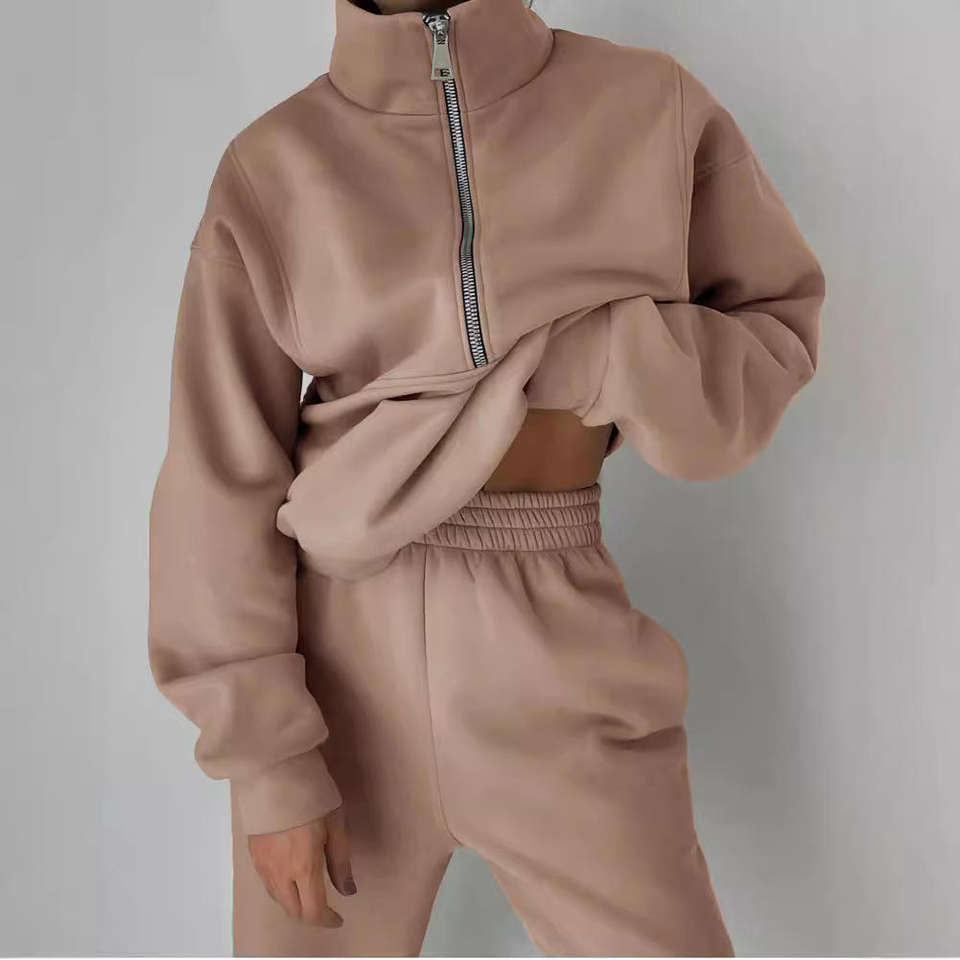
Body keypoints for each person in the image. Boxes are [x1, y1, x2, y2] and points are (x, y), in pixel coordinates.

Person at [147, 0, 825, 954]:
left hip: (560, 634)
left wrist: (604, 353)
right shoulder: (275, 164)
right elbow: (218, 477)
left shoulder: (649, 108)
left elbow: (775, 336)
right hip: (340, 665)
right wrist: (268, 764)